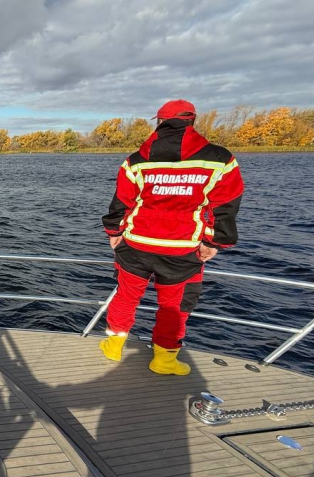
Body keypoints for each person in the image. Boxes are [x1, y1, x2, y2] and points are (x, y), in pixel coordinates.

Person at [99, 99, 244, 375]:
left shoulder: (136, 161)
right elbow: (226, 204)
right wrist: (214, 242)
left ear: (160, 122)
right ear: (192, 121)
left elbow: (121, 201)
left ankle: (114, 346)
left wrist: (114, 232)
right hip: (183, 249)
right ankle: (164, 359)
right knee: (174, 307)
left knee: (126, 296)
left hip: (136, 245)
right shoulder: (219, 159)